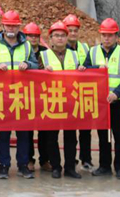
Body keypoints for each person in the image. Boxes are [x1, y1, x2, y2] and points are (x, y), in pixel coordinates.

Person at [0, 10, 39, 180]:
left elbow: (36, 66)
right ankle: (4, 166)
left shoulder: (27, 46)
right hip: (2, 96)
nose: (11, 28)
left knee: (23, 133)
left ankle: (23, 166)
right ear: (2, 26)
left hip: (23, 96)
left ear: (19, 27)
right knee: (4, 134)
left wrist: (28, 63)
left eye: (14, 25)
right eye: (8, 25)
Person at [88, 18, 120, 180]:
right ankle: (104, 166)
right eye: (104, 35)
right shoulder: (93, 52)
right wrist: (95, 68)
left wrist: (116, 93)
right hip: (101, 103)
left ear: (117, 37)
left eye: (110, 35)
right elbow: (86, 71)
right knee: (103, 136)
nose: (107, 38)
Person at [40, 21, 87, 179]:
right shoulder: (43, 56)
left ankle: (70, 167)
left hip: (70, 102)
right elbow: (34, 77)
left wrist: (82, 70)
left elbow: (83, 78)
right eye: (56, 36)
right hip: (51, 102)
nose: (59, 39)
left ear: (67, 38)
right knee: (51, 137)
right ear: (50, 38)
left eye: (62, 36)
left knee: (70, 137)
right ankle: (55, 166)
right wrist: (42, 71)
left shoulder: (74, 55)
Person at [63, 13, 93, 171]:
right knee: (70, 132)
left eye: (75, 30)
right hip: (67, 95)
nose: (73, 33)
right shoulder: (59, 49)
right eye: (70, 30)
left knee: (86, 130)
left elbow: (91, 67)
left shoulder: (85, 48)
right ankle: (71, 159)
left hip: (83, 94)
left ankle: (86, 158)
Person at [22, 22, 49, 172]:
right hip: (27, 96)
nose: (33, 38)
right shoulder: (23, 52)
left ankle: (45, 160)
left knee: (44, 130)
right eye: (30, 35)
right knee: (28, 130)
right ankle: (29, 160)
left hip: (42, 95)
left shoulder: (46, 52)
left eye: (35, 36)